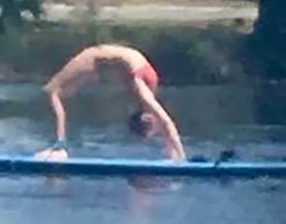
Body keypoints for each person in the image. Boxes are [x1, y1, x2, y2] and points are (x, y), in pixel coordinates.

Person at [34, 44, 187, 162]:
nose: (155, 128)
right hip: (93, 58)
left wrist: (173, 150)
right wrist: (180, 155)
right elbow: (166, 121)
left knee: (55, 92)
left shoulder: (143, 88)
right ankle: (60, 147)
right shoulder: (140, 86)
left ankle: (60, 147)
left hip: (103, 61)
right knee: (52, 91)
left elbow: (163, 122)